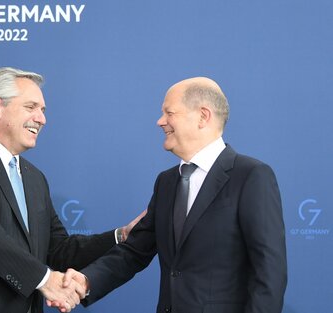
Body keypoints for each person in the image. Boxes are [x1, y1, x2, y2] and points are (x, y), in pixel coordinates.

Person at [0, 67, 144, 313]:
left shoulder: (35, 178)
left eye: (42, 110)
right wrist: (46, 280)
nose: (42, 119)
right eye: (31, 107)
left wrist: (120, 236)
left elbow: (57, 249)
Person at [62, 77, 288, 313]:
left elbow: (269, 273)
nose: (160, 122)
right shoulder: (166, 182)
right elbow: (134, 251)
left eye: (169, 113)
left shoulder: (251, 176)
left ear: (203, 116)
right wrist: (86, 282)